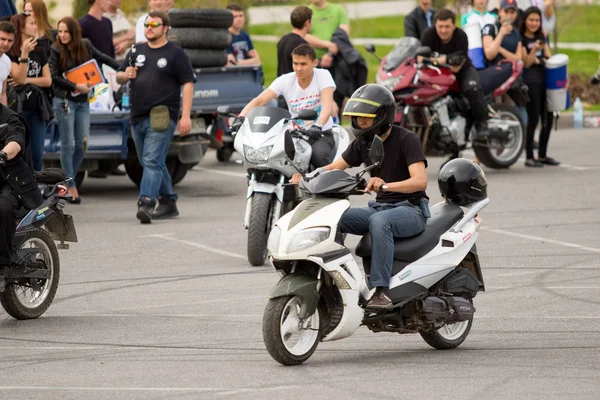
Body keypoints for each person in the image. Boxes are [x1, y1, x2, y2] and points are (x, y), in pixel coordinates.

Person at [292, 84, 429, 309]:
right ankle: (332, 277)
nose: (360, 123)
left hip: (411, 209)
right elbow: (337, 166)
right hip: (380, 207)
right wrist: (307, 177)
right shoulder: (363, 143)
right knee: (333, 218)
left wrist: (386, 186)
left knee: (379, 222)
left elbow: (419, 181)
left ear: (383, 116)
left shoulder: (407, 139)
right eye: (356, 119)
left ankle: (381, 290)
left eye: (365, 119)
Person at [116, 11, 195, 224]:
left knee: (151, 160)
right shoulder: (136, 50)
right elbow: (119, 75)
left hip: (162, 115)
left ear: (165, 28)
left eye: (154, 24)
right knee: (150, 161)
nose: (149, 27)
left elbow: (188, 83)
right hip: (137, 115)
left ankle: (147, 203)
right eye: (147, 24)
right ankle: (168, 201)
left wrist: (185, 116)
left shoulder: (175, 53)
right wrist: (125, 75)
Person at [48, 16, 120, 203]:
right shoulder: (55, 49)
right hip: (64, 101)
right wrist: (75, 85)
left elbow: (103, 58)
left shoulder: (85, 45)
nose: (62, 35)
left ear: (74, 33)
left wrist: (122, 68)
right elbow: (53, 77)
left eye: (66, 32)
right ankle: (71, 185)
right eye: (60, 31)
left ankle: (67, 180)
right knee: (68, 143)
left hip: (83, 101)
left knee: (82, 144)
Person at [234, 44, 336, 169]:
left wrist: (318, 126)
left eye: (303, 64)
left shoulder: (323, 75)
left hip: (320, 133)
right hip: (294, 134)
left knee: (318, 157)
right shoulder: (285, 80)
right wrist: (241, 118)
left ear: (315, 62)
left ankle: (327, 187)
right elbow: (259, 100)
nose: (298, 68)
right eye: (295, 63)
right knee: (275, 159)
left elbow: (327, 105)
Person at [421, 9, 490, 140]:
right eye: (440, 26)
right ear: (435, 24)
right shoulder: (428, 35)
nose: (443, 30)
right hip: (438, 73)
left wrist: (436, 60)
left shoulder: (461, 36)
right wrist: (447, 59)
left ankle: (482, 124)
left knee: (472, 88)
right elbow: (420, 58)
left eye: (447, 26)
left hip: (463, 70)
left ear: (454, 25)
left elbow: (457, 65)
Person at [0, 103, 44, 271]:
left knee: (3, 208)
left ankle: (3, 263)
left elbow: (16, 142)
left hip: (11, 181)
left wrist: (3, 154)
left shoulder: (11, 119)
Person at [8, 12, 52, 172]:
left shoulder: (39, 50)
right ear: (21, 27)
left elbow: (47, 80)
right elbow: (17, 77)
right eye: (32, 23)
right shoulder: (11, 51)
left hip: (37, 108)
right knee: (19, 154)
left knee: (37, 155)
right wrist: (24, 54)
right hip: (17, 108)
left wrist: (27, 80)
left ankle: (36, 192)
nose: (35, 26)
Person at [519, 6, 558, 167]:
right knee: (533, 118)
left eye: (537, 20)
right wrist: (534, 50)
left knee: (548, 116)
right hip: (530, 81)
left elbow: (548, 58)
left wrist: (538, 59)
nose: (534, 23)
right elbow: (526, 62)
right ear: (525, 21)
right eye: (531, 20)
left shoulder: (542, 36)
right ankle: (529, 156)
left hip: (545, 80)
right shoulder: (521, 38)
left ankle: (542, 155)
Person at [277, 6, 311, 77]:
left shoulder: (283, 40)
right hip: (294, 85)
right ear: (307, 22)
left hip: (282, 83)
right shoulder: (302, 45)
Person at [0, 21, 14, 106]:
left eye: (10, 40)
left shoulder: (7, 61)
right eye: (3, 39)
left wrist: (5, 117)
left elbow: (3, 93)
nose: (6, 43)